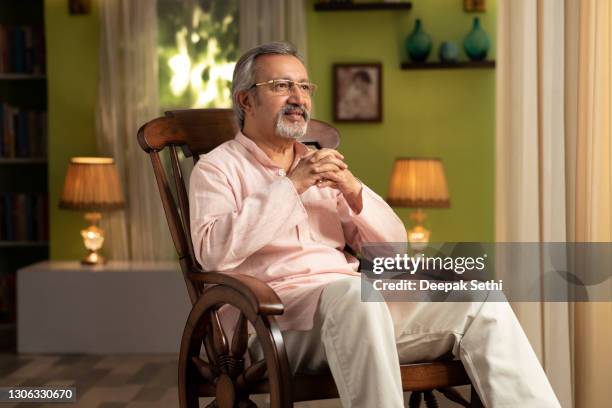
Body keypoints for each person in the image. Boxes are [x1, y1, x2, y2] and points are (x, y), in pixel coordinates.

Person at [188, 41, 561, 407]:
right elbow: (213, 252)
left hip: (361, 313)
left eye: (303, 86)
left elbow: (392, 251)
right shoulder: (217, 169)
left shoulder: (322, 164)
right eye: (281, 85)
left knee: (481, 299)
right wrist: (291, 187)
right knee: (352, 295)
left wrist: (353, 190)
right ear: (246, 100)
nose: (298, 97)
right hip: (276, 324)